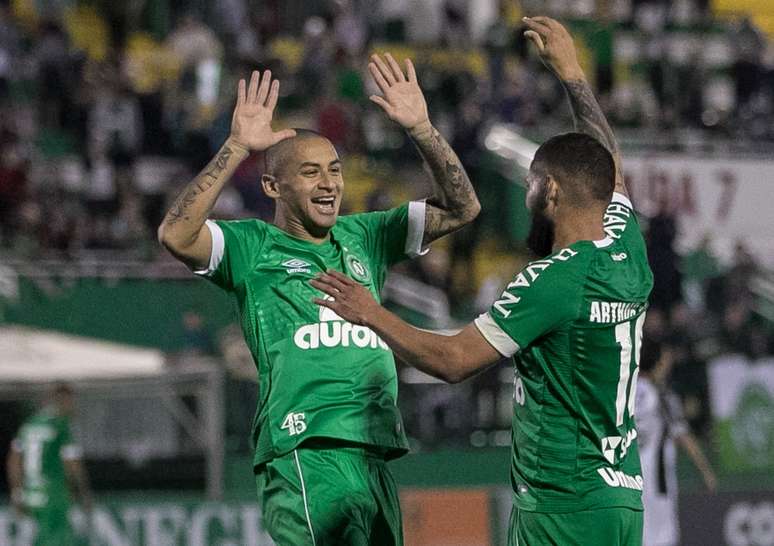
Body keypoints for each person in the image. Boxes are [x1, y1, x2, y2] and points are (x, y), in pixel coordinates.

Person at [311, 17, 653, 546]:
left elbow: (453, 362)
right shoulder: (627, 247)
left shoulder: (551, 281)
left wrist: (370, 311)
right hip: (622, 499)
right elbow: (612, 168)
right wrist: (572, 75)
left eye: (532, 183)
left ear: (553, 193)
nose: (526, 194)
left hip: (562, 503)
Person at [157, 54, 480, 545]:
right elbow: (177, 234)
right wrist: (237, 144)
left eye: (334, 170)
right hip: (307, 447)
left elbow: (463, 207)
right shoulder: (252, 248)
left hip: (373, 450)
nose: (329, 184)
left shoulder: (364, 236)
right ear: (273, 186)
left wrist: (421, 128)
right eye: (310, 173)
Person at [635, 339, 717, 546]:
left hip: (629, 475)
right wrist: (705, 470)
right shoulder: (662, 396)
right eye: (666, 358)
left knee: (639, 533)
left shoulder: (623, 393)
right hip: (658, 478)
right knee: (663, 536)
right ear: (658, 363)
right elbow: (684, 436)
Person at [6, 383, 93, 546]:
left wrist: (17, 493)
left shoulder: (29, 424)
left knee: (40, 539)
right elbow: (72, 463)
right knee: (59, 540)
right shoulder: (60, 425)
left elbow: (13, 461)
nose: (73, 407)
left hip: (32, 494)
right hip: (54, 494)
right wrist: (83, 493)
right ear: (64, 401)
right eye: (71, 402)